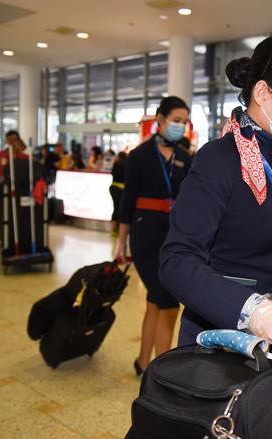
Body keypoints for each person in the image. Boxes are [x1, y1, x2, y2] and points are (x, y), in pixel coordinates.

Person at [159, 35, 272, 351]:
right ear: (262, 93)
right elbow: (176, 261)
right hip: (224, 336)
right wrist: (250, 308)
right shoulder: (220, 158)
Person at [115, 96, 192, 376]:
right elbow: (127, 200)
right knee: (168, 300)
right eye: (176, 120)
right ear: (159, 120)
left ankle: (144, 362)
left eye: (184, 122)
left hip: (174, 235)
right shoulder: (139, 155)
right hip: (144, 233)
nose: (180, 126)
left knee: (154, 301)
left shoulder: (185, 157)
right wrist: (120, 240)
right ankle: (163, 374)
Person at [0, 131, 27, 244]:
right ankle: (4, 241)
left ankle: (17, 242)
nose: (13, 143)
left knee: (19, 219)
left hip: (19, 193)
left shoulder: (24, 157)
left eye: (15, 140)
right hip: (1, 194)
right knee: (2, 218)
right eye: (10, 140)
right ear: (6, 141)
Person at [109, 151, 127, 232]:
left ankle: (114, 230)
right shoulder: (127, 165)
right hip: (121, 189)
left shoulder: (115, 164)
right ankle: (120, 230)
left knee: (116, 208)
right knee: (121, 209)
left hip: (113, 188)